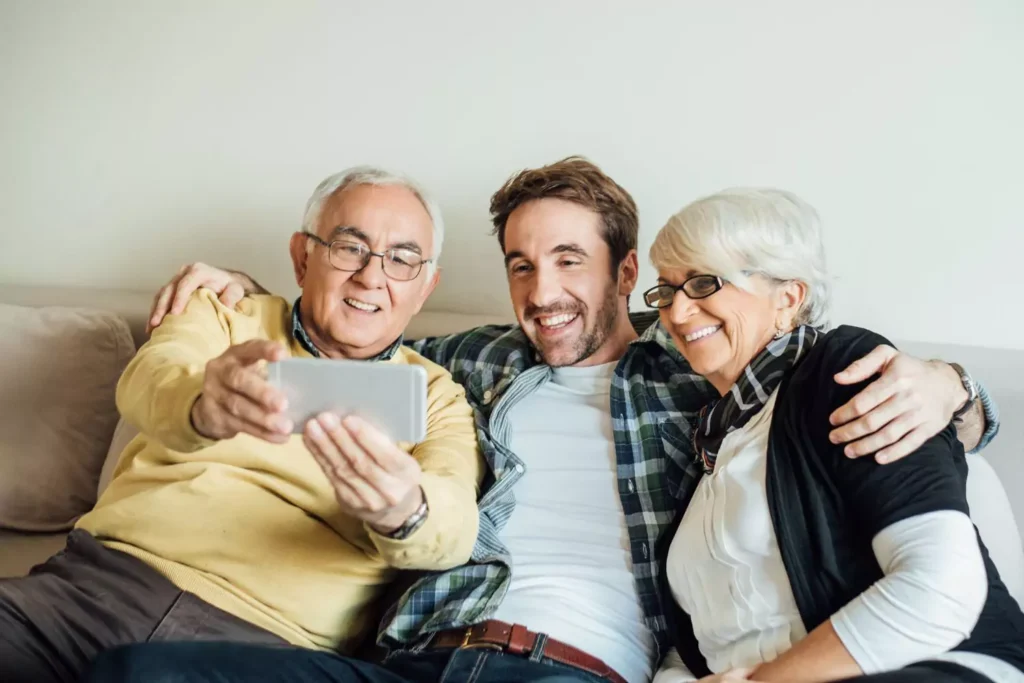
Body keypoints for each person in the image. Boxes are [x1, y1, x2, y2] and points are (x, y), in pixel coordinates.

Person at [86, 157, 1000, 683]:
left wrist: (953, 388)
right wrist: (247, 291)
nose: (543, 292)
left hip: (569, 670)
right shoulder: (466, 364)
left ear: (625, 267)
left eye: (569, 260)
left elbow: (822, 383)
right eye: (522, 265)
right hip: (414, 661)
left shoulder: (700, 373)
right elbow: (351, 330)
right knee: (140, 674)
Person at [0, 167, 483, 683]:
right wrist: (204, 404)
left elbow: (453, 525)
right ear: (302, 257)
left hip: (263, 647)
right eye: (349, 247)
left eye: (403, 260)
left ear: (426, 286)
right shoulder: (225, 315)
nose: (371, 276)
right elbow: (149, 379)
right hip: (88, 591)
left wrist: (402, 509)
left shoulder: (437, 396)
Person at [646, 188, 1023, 683]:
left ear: (788, 297)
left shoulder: (846, 374)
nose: (676, 312)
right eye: (666, 291)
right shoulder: (711, 443)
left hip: (938, 666)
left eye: (702, 283)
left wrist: (765, 682)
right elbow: (697, 647)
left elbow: (939, 589)